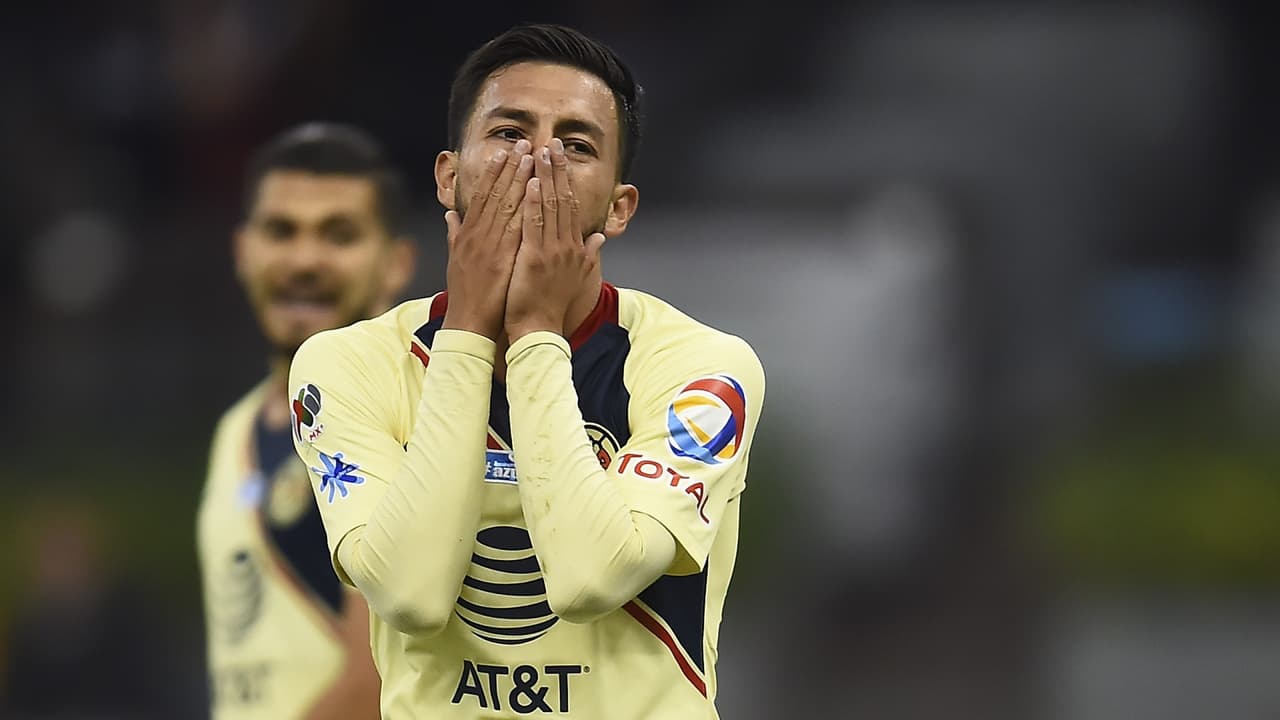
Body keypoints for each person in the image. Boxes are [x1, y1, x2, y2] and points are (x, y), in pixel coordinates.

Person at [290, 24, 764, 718]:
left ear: (619, 207)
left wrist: (535, 333)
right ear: (449, 176)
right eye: (510, 133)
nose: (539, 163)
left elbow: (589, 579)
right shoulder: (347, 364)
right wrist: (468, 334)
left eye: (576, 145)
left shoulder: (700, 367)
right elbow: (410, 596)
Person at [198, 123, 415, 719]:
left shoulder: (406, 413)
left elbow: (381, 679)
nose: (305, 260)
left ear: (396, 263)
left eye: (339, 235)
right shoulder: (237, 427)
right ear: (243, 250)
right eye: (281, 231)